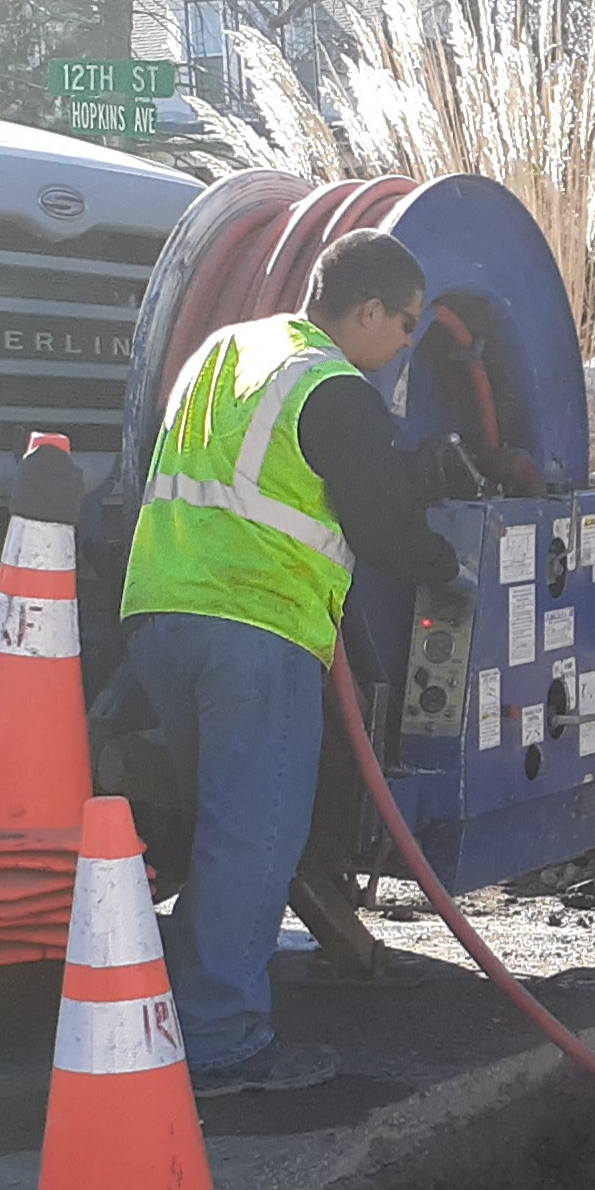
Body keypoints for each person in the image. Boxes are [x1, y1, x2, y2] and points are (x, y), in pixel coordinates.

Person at [120, 230, 460, 1096]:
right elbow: (381, 529)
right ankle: (220, 1041)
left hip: (161, 610)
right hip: (255, 623)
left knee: (217, 828)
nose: (405, 344)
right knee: (254, 835)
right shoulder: (331, 387)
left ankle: (179, 1012)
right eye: (406, 324)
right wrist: (444, 569)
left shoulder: (230, 348)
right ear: (369, 310)